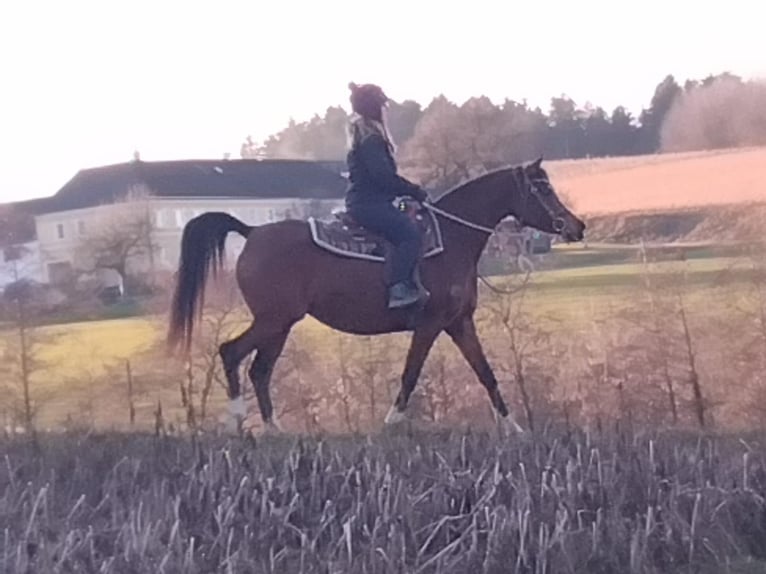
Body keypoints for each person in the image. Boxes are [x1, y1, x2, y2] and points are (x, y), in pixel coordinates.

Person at [344, 82, 430, 309]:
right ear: (376, 109)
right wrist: (415, 191)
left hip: (366, 202)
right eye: (383, 106)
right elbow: (383, 178)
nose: (385, 111)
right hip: (369, 205)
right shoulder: (372, 140)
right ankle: (399, 287)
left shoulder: (361, 135)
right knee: (410, 234)